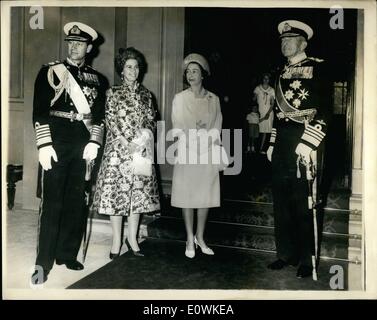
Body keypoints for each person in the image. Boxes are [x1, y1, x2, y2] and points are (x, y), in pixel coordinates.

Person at [31, 22, 107, 285]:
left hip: (82, 145)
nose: (74, 46)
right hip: (56, 143)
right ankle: (42, 264)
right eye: (70, 42)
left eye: (79, 43)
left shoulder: (98, 79)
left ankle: (66, 254)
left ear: (89, 47)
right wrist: (44, 145)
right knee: (51, 204)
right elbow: (39, 111)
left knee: (77, 203)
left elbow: (99, 116)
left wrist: (95, 142)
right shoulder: (50, 71)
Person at [266, 20, 331, 278]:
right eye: (282, 40)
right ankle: (285, 253)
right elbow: (277, 113)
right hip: (282, 142)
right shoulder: (279, 72)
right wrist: (271, 142)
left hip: (305, 140)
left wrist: (309, 141)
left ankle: (306, 259)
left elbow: (325, 110)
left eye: (290, 40)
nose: (284, 43)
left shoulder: (317, 68)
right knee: (282, 201)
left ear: (303, 43)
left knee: (305, 202)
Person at [91, 47, 160, 259]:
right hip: (118, 152)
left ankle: (132, 240)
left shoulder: (147, 95)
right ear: (122, 69)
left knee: (137, 196)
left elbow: (151, 120)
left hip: (140, 150)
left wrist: (139, 142)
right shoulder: (113, 93)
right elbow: (110, 119)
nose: (133, 70)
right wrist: (125, 141)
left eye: (136, 67)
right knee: (116, 197)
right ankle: (116, 242)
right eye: (129, 66)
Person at [171, 53, 223, 258]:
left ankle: (200, 238)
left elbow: (217, 125)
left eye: (195, 71)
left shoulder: (214, 99)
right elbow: (177, 125)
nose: (191, 75)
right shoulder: (179, 98)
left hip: (208, 152)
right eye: (188, 72)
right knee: (187, 196)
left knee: (205, 196)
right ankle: (189, 238)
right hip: (187, 151)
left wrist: (207, 142)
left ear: (203, 75)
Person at [253, 73, 275, 153]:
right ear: (262, 79)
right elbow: (254, 100)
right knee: (258, 130)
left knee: (266, 131)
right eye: (264, 78)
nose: (266, 80)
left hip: (268, 112)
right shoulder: (258, 88)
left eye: (267, 78)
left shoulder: (271, 90)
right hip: (260, 112)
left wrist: (268, 113)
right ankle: (255, 147)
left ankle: (263, 149)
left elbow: (272, 103)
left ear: (269, 80)